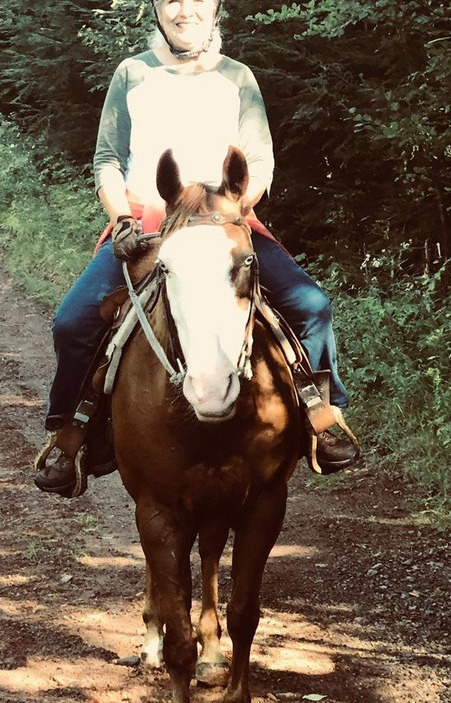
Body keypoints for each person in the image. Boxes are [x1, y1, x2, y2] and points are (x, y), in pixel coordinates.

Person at [35, 0, 358, 493]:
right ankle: (72, 433)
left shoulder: (238, 78)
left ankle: (319, 416)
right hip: (147, 225)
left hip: (227, 223)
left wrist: (229, 211)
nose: (183, 9)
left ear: (216, 9)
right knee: (73, 322)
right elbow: (107, 159)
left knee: (311, 306)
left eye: (196, 0)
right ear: (157, 11)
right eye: (170, 0)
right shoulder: (132, 73)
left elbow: (260, 161)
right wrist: (119, 216)